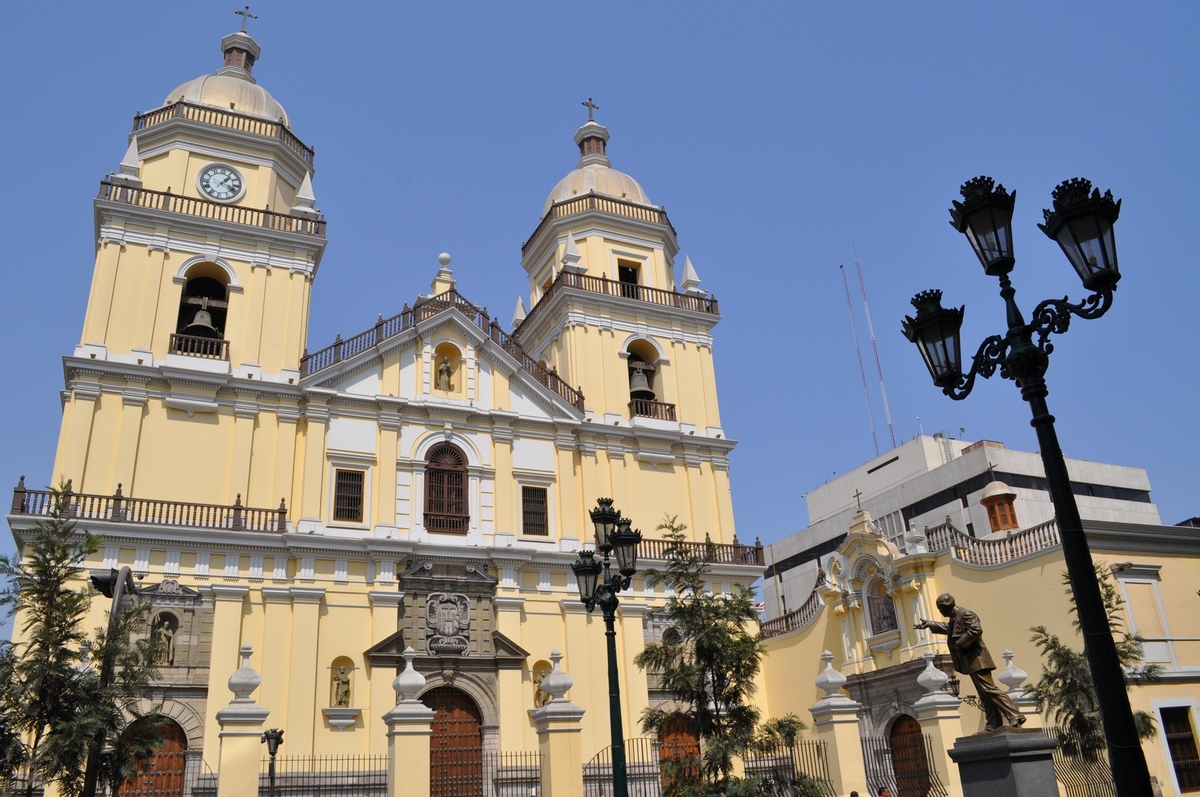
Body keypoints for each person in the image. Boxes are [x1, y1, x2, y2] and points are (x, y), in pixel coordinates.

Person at [915, 593, 1025, 731]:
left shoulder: (966, 614)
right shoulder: (955, 619)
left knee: (989, 689)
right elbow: (950, 629)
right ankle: (993, 723)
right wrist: (931, 624)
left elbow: (976, 629)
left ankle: (1015, 715)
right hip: (971, 660)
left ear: (945, 607)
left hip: (978, 659)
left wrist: (960, 644)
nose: (940, 612)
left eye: (940, 608)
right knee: (984, 694)